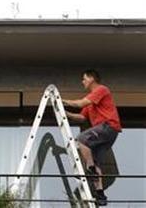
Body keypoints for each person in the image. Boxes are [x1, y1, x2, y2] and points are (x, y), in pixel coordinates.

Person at [62, 69, 121, 206]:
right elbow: (82, 117)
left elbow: (81, 103)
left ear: (92, 78)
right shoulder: (91, 103)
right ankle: (100, 194)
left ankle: (90, 169)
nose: (82, 82)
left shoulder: (102, 90)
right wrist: (66, 113)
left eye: (84, 79)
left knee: (82, 139)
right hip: (106, 134)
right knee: (96, 162)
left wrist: (62, 101)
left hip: (108, 127)